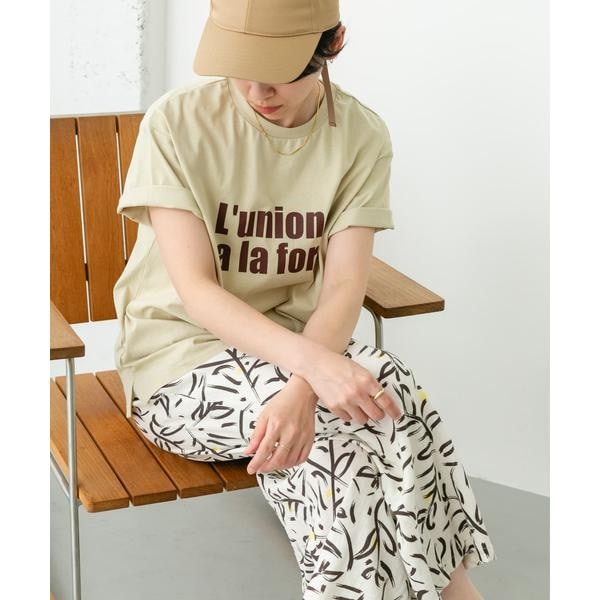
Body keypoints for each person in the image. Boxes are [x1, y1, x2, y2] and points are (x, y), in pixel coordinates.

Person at [112, 1, 497, 598]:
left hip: (299, 353)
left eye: (281, 70)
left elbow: (344, 286)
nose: (257, 90)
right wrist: (315, 373)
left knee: (388, 394)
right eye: (242, 65)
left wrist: (301, 389)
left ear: (333, 43)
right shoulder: (177, 123)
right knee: (333, 448)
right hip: (179, 365)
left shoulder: (360, 136)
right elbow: (197, 291)